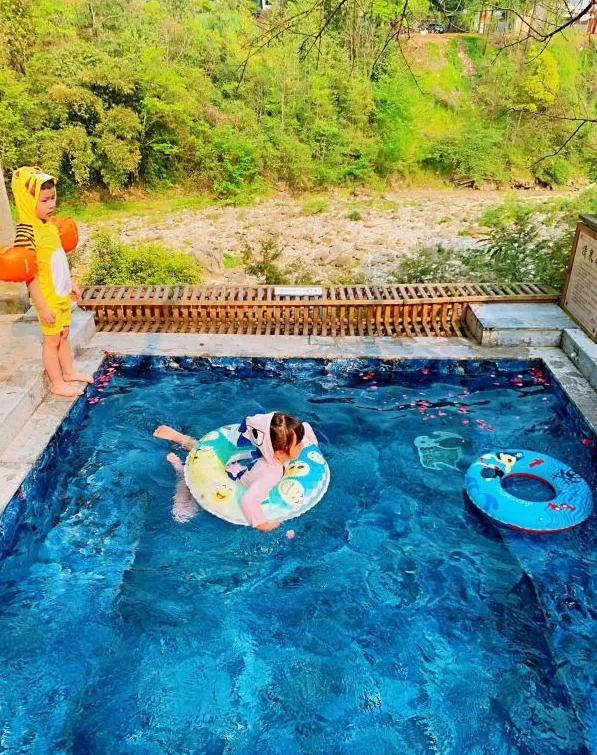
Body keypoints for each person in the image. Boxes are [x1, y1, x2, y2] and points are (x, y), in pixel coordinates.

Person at [153, 412, 319, 530]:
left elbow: (304, 429)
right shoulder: (271, 474)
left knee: (207, 454)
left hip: (237, 472)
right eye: (298, 444)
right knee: (182, 514)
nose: (302, 446)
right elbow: (248, 500)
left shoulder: (269, 447)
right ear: (281, 453)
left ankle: (183, 439)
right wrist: (263, 524)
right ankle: (180, 469)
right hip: (225, 486)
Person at [12, 166, 92, 397]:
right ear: (28, 201)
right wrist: (43, 306)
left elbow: (59, 258)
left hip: (61, 292)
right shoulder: (26, 232)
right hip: (47, 297)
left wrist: (71, 282)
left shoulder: (49, 225)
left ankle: (69, 372)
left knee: (64, 335)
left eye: (53, 198)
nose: (51, 205)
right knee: (52, 341)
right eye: (44, 200)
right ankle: (57, 383)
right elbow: (29, 275)